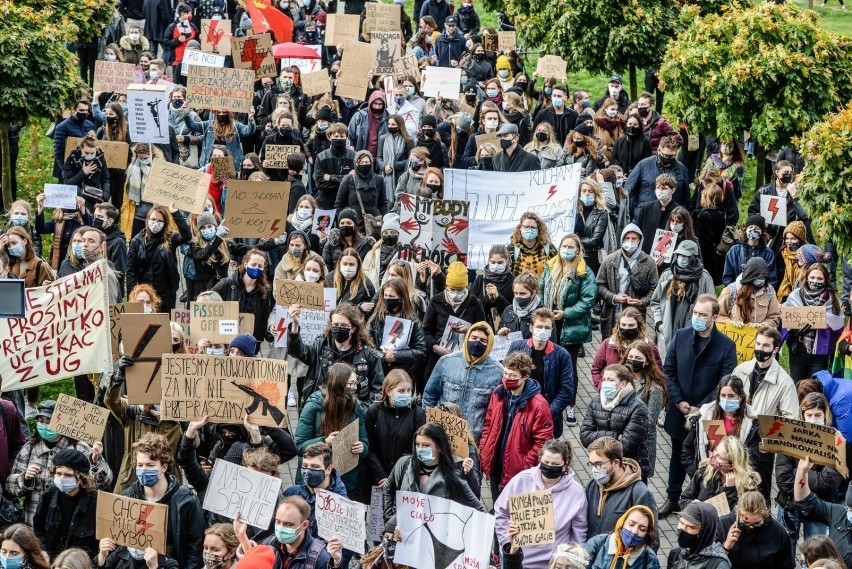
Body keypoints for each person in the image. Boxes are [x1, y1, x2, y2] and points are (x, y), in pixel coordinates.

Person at [661, 294, 738, 517]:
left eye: (703, 315)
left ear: (715, 316)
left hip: (710, 415)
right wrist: (678, 401)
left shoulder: (726, 346)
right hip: (680, 410)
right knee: (677, 454)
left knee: (711, 457)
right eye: (695, 313)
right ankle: (672, 497)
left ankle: (707, 503)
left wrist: (702, 407)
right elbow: (669, 370)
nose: (697, 317)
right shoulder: (681, 336)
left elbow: (725, 381)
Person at [6, 401, 112, 525]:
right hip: (34, 525)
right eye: (40, 420)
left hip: (70, 525)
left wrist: (95, 462)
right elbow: (10, 487)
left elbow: (104, 482)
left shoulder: (80, 448)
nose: (44, 425)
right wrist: (24, 478)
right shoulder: (29, 449)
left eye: (48, 421)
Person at [494, 439, 588, 569]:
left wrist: (573, 560)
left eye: (555, 464)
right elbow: (501, 513)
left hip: (553, 563)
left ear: (565, 465)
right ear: (540, 459)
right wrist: (507, 543)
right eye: (545, 462)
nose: (549, 466)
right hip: (518, 559)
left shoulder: (576, 492)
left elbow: (579, 532)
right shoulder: (521, 480)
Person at [120, 433, 204, 569]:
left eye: (150, 465)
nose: (143, 470)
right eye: (140, 465)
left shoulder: (186, 500)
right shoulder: (128, 497)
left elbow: (196, 545)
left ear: (163, 467)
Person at [382, 423, 484, 532]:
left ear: (439, 447)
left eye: (426, 445)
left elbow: (478, 509)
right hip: (405, 537)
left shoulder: (453, 475)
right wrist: (390, 520)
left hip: (437, 542)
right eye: (417, 444)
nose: (420, 449)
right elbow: (388, 488)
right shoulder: (404, 464)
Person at [479, 352, 553, 498]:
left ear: (525, 377)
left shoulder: (539, 405)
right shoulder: (498, 394)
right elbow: (488, 423)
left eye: (513, 376)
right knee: (497, 505)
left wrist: (526, 464)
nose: (507, 379)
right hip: (496, 464)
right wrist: (484, 447)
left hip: (518, 470)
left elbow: (542, 442)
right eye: (505, 373)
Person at [775, 393, 840, 550]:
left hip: (818, 509)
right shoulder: (789, 437)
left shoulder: (835, 441)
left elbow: (829, 484)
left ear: (826, 415)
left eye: (817, 415)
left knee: (815, 556)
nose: (812, 419)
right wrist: (811, 477)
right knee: (783, 552)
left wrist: (799, 473)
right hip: (789, 505)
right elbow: (783, 479)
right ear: (802, 415)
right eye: (809, 415)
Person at [287, 303, 385, 405]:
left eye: (344, 325)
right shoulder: (320, 346)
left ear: (353, 328)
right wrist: (295, 324)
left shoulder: (368, 355)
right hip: (321, 408)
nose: (339, 328)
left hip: (353, 413)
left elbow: (378, 392)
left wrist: (361, 411)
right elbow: (297, 351)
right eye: (335, 325)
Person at [423, 322, 502, 441]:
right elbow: (430, 395)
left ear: (489, 344)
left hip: (475, 439)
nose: (477, 343)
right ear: (467, 337)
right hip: (444, 436)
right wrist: (429, 427)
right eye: (474, 338)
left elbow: (495, 412)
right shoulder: (446, 362)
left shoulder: (498, 371)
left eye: (483, 340)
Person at [506, 308, 575, 438]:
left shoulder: (562, 355)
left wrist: (548, 412)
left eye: (546, 327)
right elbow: (506, 378)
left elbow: (566, 390)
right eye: (539, 326)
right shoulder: (517, 347)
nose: (543, 331)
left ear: (552, 330)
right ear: (531, 328)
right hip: (518, 412)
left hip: (545, 416)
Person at [234, 497, 342, 569]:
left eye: (288, 524)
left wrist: (336, 563)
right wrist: (241, 535)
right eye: (278, 522)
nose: (280, 528)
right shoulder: (268, 544)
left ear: (304, 525)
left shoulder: (320, 557)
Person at [581, 364, 650, 477]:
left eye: (611, 380)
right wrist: (615, 435)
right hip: (601, 466)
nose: (606, 383)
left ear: (623, 383)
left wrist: (599, 440)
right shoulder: (596, 402)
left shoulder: (637, 407)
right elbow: (585, 436)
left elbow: (626, 445)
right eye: (604, 379)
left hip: (628, 468)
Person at [421, 261, 486, 381]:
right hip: (437, 358)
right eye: (452, 289)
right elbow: (425, 331)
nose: (456, 294)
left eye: (460, 290)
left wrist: (469, 331)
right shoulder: (436, 301)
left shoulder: (475, 303)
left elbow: (484, 330)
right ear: (446, 286)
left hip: (465, 358)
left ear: (467, 286)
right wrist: (435, 347)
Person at [649, 240, 715, 353]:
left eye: (686, 256)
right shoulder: (667, 275)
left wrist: (704, 326)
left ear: (693, 258)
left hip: (694, 330)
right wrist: (659, 322)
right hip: (668, 329)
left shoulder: (704, 278)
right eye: (679, 255)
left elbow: (713, 306)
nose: (681, 258)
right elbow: (655, 301)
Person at [584, 437, 657, 538]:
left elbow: (652, 537)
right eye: (591, 464)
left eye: (598, 464)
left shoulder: (639, 493)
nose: (594, 470)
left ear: (616, 463)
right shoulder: (592, 486)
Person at [32, 448, 99, 559]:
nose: (62, 478)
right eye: (58, 473)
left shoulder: (95, 502)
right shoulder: (49, 495)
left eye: (68, 475)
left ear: (80, 477)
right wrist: (43, 550)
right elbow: (38, 528)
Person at [784, 264, 844, 381]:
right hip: (798, 350)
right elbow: (786, 320)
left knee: (815, 388)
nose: (815, 281)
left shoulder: (833, 299)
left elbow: (838, 324)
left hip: (820, 353)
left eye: (819, 279)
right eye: (812, 278)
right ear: (807, 278)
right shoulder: (795, 296)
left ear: (825, 280)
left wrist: (823, 320)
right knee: (797, 386)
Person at [597, 224, 659, 337]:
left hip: (635, 319)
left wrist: (643, 302)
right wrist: (614, 297)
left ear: (640, 239)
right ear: (622, 239)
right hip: (612, 316)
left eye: (634, 238)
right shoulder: (610, 260)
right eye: (627, 238)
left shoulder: (649, 262)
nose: (630, 241)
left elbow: (655, 288)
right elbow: (599, 285)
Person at [126, 205, 191, 312]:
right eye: (153, 219)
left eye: (159, 221)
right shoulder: (137, 241)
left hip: (165, 293)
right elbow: (131, 271)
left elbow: (187, 235)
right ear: (147, 220)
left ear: (164, 223)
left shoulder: (170, 239)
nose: (155, 223)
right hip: (146, 295)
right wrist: (132, 295)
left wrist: (175, 214)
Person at [793, 457, 852, 568]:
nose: (850, 514)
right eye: (849, 509)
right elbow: (805, 501)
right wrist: (802, 472)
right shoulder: (839, 513)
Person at [749, 160, 813, 259]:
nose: (788, 175)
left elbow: (805, 216)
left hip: (789, 237)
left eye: (790, 173)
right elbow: (752, 212)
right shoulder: (764, 191)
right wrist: (761, 222)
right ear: (777, 172)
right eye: (785, 172)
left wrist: (795, 196)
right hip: (770, 236)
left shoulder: (796, 192)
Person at [211, 249, 276, 344]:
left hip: (248, 343)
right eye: (253, 264)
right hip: (225, 340)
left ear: (263, 269)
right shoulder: (227, 283)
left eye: (260, 266)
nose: (256, 268)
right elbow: (208, 298)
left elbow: (264, 318)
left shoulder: (264, 292)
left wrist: (258, 341)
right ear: (245, 264)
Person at [591, 308, 662, 390]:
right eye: (623, 325)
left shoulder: (649, 347)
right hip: (612, 392)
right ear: (618, 325)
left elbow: (658, 372)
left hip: (640, 393)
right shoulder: (608, 344)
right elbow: (596, 369)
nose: (627, 328)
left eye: (631, 325)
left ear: (639, 326)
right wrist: (602, 387)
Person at [368, 279, 427, 377]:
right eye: (385, 296)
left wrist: (396, 356)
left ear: (401, 297)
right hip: (379, 370)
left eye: (391, 296)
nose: (387, 299)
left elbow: (420, 350)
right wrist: (383, 356)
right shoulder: (377, 317)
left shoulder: (413, 320)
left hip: (403, 372)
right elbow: (368, 343)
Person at [626, 136, 690, 218]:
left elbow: (686, 196)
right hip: (645, 214)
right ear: (659, 150)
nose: (668, 158)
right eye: (665, 155)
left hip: (671, 217)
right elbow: (629, 189)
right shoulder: (643, 165)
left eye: (671, 156)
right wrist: (636, 211)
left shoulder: (681, 169)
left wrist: (682, 214)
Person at [585, 506, 660, 569]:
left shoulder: (649, 558)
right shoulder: (597, 543)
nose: (634, 532)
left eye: (642, 529)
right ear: (622, 523)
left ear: (647, 533)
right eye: (631, 524)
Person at [718, 257, 781, 329]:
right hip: (735, 336)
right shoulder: (731, 290)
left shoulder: (769, 291)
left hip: (760, 337)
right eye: (758, 278)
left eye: (763, 278)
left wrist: (763, 325)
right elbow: (718, 316)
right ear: (749, 278)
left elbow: (774, 317)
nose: (761, 281)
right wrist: (731, 323)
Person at [668, 501, 731, 569]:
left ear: (705, 533)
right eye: (681, 522)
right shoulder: (676, 552)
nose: (682, 529)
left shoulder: (719, 566)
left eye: (690, 527)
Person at [723, 215, 778, 287]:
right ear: (745, 230)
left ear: (762, 232)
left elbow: (772, 279)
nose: (753, 230)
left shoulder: (768, 253)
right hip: (738, 293)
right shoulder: (734, 250)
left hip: (760, 294)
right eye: (750, 227)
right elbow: (727, 277)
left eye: (757, 228)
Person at [470, 245, 514, 332]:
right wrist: (487, 297)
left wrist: (498, 297)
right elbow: (472, 306)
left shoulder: (512, 281)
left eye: (500, 263)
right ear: (488, 261)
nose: (496, 266)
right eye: (493, 262)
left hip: (504, 328)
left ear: (507, 262)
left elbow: (513, 310)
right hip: (483, 327)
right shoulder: (480, 279)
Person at [314, 123, 356, 210]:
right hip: (325, 203)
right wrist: (346, 179)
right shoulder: (321, 157)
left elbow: (355, 181)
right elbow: (320, 183)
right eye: (336, 136)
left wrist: (330, 178)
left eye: (342, 136)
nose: (339, 139)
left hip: (347, 203)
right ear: (330, 137)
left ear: (346, 138)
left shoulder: (354, 156)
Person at [692, 183, 728, 285]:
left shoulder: (703, 215)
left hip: (705, 256)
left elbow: (702, 239)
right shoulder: (721, 214)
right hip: (716, 253)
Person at [53, 100, 95, 180]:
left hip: (85, 169)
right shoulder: (62, 127)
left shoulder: (90, 125)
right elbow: (58, 151)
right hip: (68, 169)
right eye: (81, 110)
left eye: (86, 110)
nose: (84, 113)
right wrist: (64, 168)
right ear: (74, 110)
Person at [506, 212, 556, 278]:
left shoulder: (549, 248)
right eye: (526, 227)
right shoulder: (512, 249)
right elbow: (506, 275)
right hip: (518, 288)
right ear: (520, 228)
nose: (530, 230)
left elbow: (556, 271)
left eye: (533, 227)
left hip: (541, 288)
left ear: (538, 229)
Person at [777, 220, 809, 301]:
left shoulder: (808, 255)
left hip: (804, 296)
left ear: (800, 239)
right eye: (787, 238)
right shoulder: (782, 254)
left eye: (793, 239)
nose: (789, 242)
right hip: (786, 297)